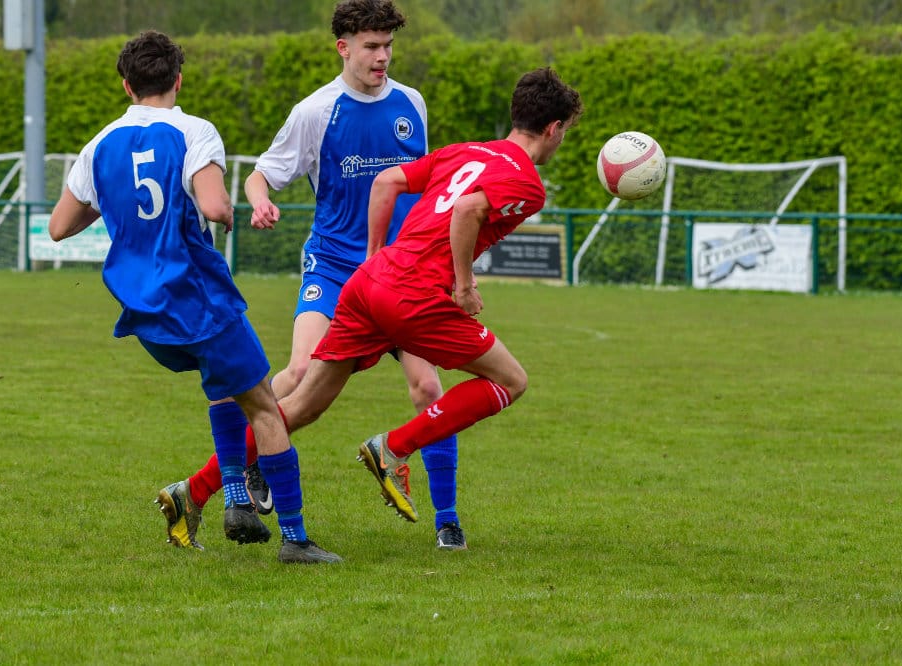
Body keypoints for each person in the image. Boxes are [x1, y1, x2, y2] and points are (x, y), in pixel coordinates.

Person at [159, 0, 468, 550]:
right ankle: (253, 453)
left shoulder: (411, 103)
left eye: (388, 46)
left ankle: (448, 520)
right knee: (300, 371)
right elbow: (260, 175)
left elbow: (418, 187)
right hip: (335, 266)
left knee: (427, 386)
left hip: (401, 272)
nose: (382, 57)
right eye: (371, 47)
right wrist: (260, 201)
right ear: (343, 48)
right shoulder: (316, 112)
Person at [243, 66, 581, 531]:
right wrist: (463, 284)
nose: (382, 55)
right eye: (566, 131)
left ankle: (196, 489)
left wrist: (374, 258)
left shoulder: (448, 135)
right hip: (391, 284)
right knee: (509, 380)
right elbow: (466, 208)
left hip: (376, 276)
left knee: (390, 393)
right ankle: (388, 449)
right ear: (554, 128)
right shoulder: (526, 182)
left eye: (386, 45)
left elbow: (388, 182)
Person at [48, 30, 340, 564]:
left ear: (126, 85)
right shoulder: (193, 131)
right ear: (178, 80)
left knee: (223, 387)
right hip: (196, 296)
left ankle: (232, 500)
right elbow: (213, 206)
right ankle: (295, 539)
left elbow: (59, 226)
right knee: (266, 408)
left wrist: (113, 201)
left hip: (143, 311)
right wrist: (227, 213)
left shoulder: (98, 145)